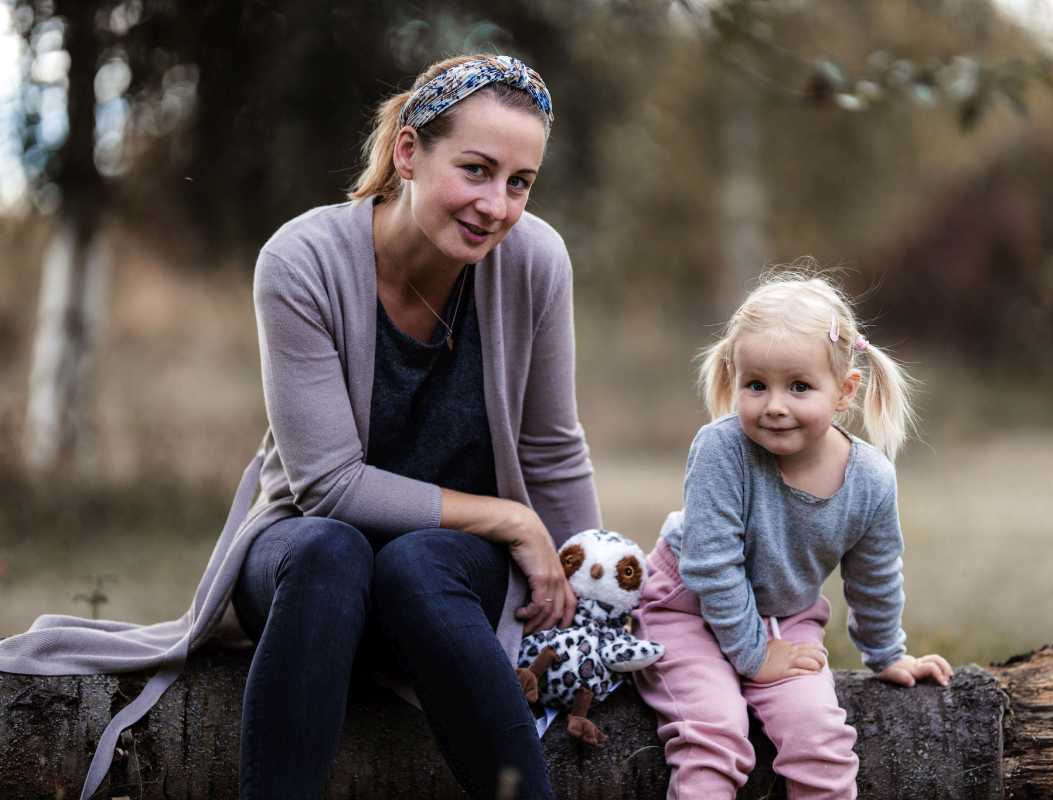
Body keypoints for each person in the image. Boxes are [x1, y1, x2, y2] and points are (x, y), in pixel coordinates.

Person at [0, 53, 599, 800]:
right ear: (409, 152)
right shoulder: (303, 260)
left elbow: (551, 447)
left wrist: (595, 602)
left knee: (418, 562)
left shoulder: (534, 261)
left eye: (519, 183)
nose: (497, 205)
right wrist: (510, 518)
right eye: (476, 170)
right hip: (305, 563)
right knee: (329, 549)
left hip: (447, 577)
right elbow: (327, 486)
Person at [632, 269, 953, 799]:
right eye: (757, 385)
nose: (775, 404)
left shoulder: (869, 480)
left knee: (820, 739)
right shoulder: (722, 450)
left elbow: (875, 574)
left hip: (784, 620)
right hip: (685, 610)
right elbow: (710, 566)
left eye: (799, 387)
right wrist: (753, 657)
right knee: (714, 735)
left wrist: (887, 653)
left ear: (844, 391)